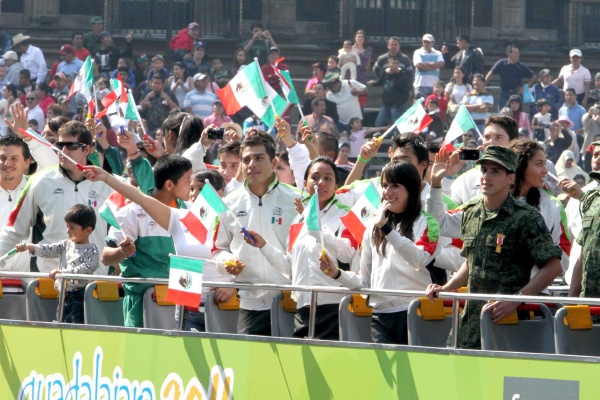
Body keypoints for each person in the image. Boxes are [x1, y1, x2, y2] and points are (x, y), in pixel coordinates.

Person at [426, 145, 562, 349]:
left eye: (495, 171)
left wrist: (517, 299)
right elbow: (472, 261)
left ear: (511, 178)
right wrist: (447, 288)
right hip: (470, 322)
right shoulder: (473, 211)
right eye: (484, 170)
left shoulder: (525, 217)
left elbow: (553, 267)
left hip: (507, 323)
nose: (486, 176)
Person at [87, 153, 213, 328]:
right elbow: (106, 257)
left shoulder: (190, 212)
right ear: (169, 184)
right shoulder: (132, 212)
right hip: (143, 303)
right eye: (187, 180)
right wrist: (122, 252)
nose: (191, 185)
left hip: (184, 303)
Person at [322, 161, 439, 344]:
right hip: (380, 315)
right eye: (384, 186)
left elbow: (419, 260)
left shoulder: (427, 222)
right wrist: (337, 274)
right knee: (385, 372)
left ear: (411, 189)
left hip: (415, 311)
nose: (387, 192)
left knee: (416, 372)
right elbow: (365, 283)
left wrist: (387, 229)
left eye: (395, 186)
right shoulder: (372, 228)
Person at [245, 157, 359, 339]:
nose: (321, 183)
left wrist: (316, 229)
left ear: (337, 185)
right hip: (302, 307)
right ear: (305, 184)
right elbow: (289, 267)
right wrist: (264, 246)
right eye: (315, 177)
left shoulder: (348, 215)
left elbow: (347, 254)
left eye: (328, 178)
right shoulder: (298, 220)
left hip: (333, 307)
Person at [212, 131, 299, 336]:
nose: (252, 164)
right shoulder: (228, 204)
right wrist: (227, 261)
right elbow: (218, 249)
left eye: (259, 158)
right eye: (247, 159)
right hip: (251, 304)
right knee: (250, 366)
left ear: (274, 161)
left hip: (291, 300)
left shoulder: (296, 200)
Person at [0, 121, 113, 274]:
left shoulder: (106, 182)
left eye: (71, 146)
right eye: (60, 145)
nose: (63, 151)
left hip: (95, 281)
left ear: (86, 149)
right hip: (51, 281)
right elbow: (14, 230)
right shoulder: (40, 181)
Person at [15, 204, 98, 323]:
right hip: (62, 295)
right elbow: (49, 249)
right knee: (60, 324)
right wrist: (30, 247)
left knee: (75, 327)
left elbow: (87, 267)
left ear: (88, 230)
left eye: (72, 228)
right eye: (67, 227)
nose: (67, 231)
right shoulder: (66, 245)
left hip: (79, 296)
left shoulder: (92, 249)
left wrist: (64, 273)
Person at [443, 115, 518, 205]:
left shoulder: (524, 175)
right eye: (487, 137)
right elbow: (444, 213)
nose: (490, 142)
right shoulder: (467, 179)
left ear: (513, 142)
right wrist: (448, 176)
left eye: (498, 137)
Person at [486, 44, 536, 112]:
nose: (517, 54)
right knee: (502, 111)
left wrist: (525, 87)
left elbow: (533, 76)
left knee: (517, 114)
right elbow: (491, 73)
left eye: (518, 52)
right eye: (515, 53)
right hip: (505, 93)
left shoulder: (521, 66)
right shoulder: (501, 63)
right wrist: (483, 84)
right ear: (509, 54)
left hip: (517, 93)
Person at [368, 57, 412, 127]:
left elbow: (405, 93)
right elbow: (381, 81)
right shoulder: (385, 73)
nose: (395, 65)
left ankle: (395, 135)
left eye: (397, 63)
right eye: (393, 63)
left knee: (395, 124)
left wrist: (398, 104)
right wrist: (374, 83)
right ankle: (380, 134)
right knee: (379, 123)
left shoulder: (402, 77)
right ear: (389, 64)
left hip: (395, 105)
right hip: (386, 104)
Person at [412, 34, 444, 99]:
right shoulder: (418, 52)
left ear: (433, 43)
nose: (426, 44)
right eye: (424, 42)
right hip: (420, 85)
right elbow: (419, 66)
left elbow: (441, 64)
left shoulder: (438, 53)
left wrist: (425, 64)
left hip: (434, 85)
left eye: (428, 42)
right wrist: (434, 66)